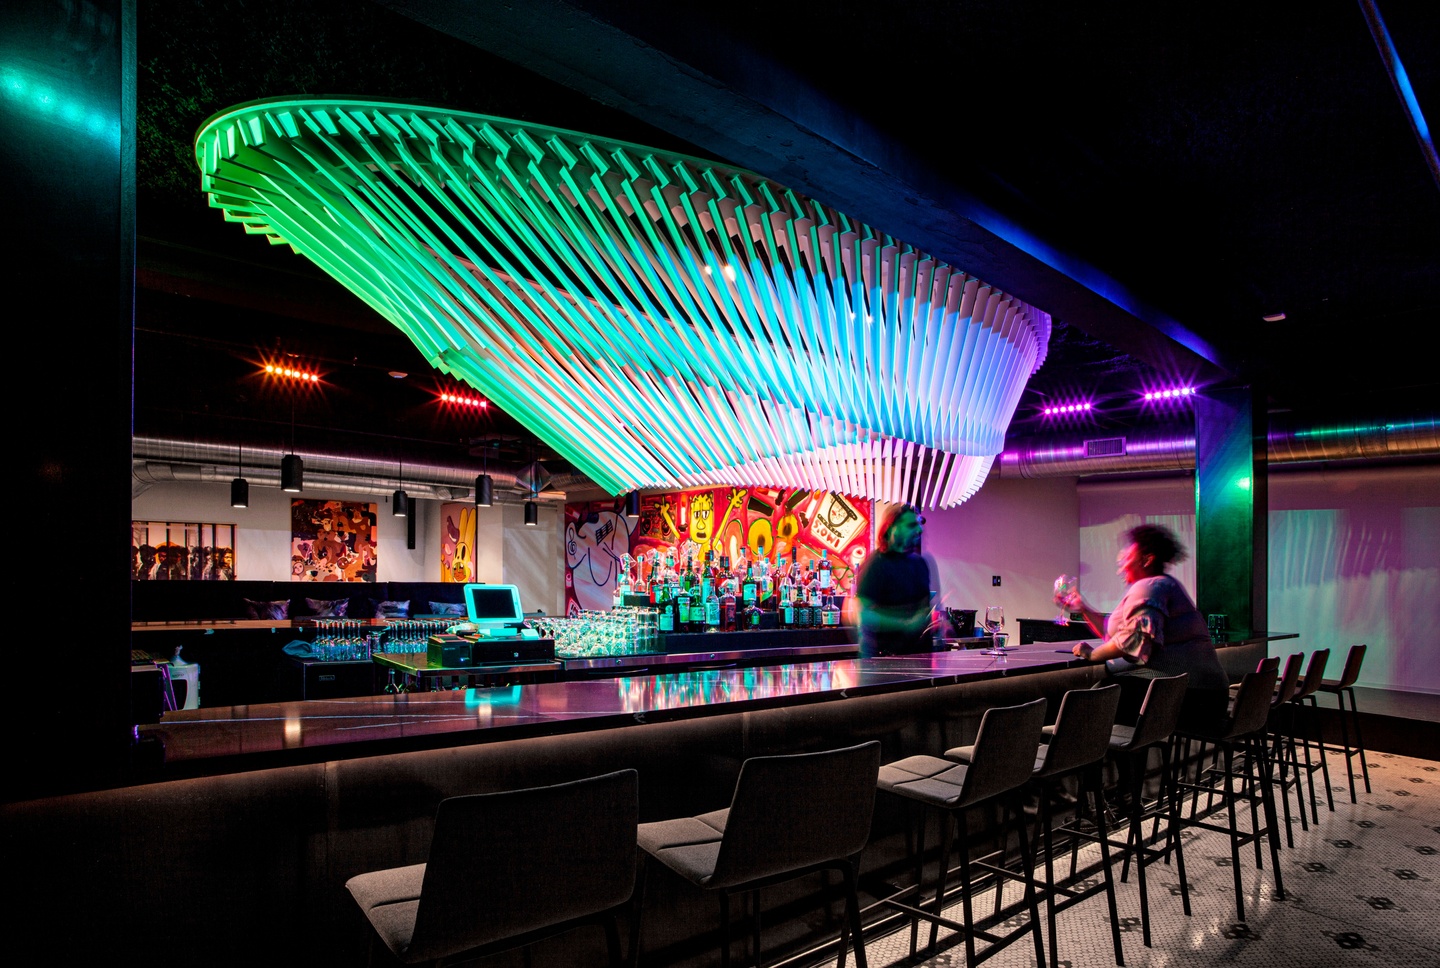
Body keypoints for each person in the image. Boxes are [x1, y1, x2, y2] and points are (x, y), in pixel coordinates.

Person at [1059, 523, 1229, 731]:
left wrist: (1092, 655)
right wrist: (1083, 608)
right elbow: (1116, 636)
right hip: (1205, 695)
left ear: (1147, 559)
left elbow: (1135, 641)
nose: (1120, 567)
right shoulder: (1162, 585)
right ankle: (1125, 759)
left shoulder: (1150, 587)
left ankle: (1081, 760)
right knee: (1103, 695)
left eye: (1125, 559)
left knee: (1090, 703)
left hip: (1191, 698)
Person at [856, 504, 938, 658]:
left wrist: (937, 622)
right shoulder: (876, 563)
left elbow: (923, 610)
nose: (920, 530)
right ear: (892, 527)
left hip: (920, 660)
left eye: (919, 524)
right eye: (911, 525)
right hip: (885, 663)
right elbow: (862, 615)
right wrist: (905, 624)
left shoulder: (920, 563)